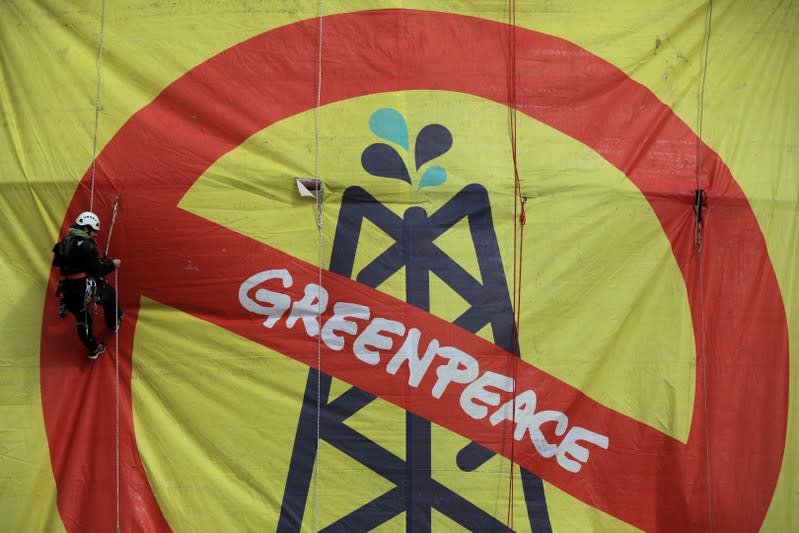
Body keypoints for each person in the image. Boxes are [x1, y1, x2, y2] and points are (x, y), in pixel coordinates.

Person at [52, 211, 123, 360]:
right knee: (109, 294)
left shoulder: (62, 243)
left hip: (67, 289)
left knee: (81, 317)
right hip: (82, 288)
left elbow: (58, 262)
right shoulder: (87, 246)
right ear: (86, 229)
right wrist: (112, 264)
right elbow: (97, 270)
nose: (95, 234)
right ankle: (113, 323)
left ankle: (93, 348)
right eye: (94, 231)